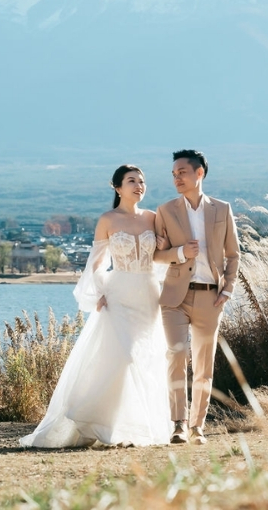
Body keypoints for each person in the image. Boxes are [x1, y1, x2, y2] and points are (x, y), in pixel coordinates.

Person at [21, 165, 171, 447]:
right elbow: (97, 262)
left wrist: (162, 245)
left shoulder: (154, 218)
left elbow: (161, 257)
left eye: (142, 181)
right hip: (119, 295)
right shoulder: (108, 219)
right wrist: (98, 291)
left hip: (148, 294)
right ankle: (93, 422)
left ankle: (132, 429)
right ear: (117, 188)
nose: (139, 185)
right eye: (131, 181)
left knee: (144, 358)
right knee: (121, 356)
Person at [152, 149, 240, 445]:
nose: (177, 178)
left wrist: (227, 289)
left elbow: (233, 254)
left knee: (204, 364)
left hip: (210, 298)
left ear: (199, 173)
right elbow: (156, 254)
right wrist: (179, 253)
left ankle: (197, 426)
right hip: (175, 296)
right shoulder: (165, 210)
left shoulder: (222, 209)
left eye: (182, 173)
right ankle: (178, 424)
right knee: (176, 354)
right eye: (174, 174)